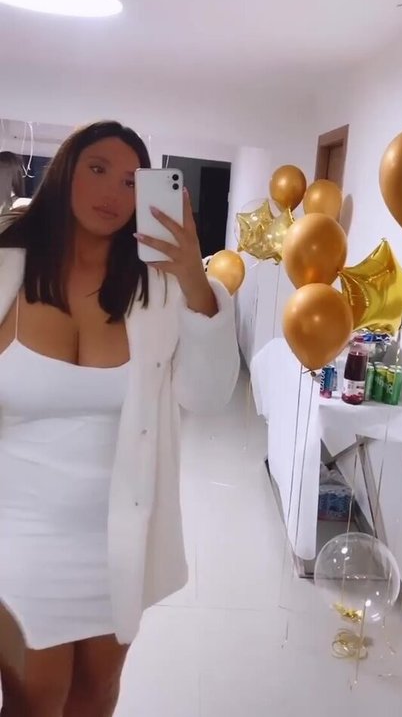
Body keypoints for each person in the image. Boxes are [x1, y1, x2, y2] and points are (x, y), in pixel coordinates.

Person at [0, 121, 240, 716]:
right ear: (65, 172)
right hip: (15, 534)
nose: (114, 191)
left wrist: (193, 276)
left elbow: (208, 395)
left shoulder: (157, 290)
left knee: (97, 694)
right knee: (35, 698)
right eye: (98, 169)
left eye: (133, 181)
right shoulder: (5, 270)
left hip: (116, 538)